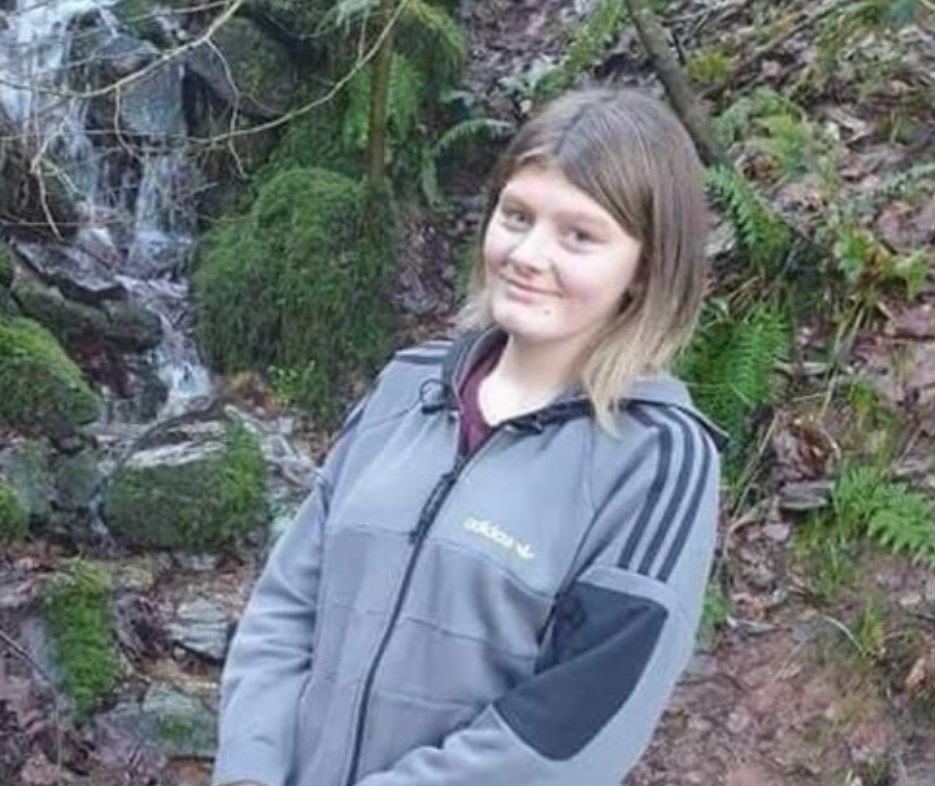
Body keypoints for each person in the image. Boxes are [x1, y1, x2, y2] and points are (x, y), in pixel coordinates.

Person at [212, 87, 725, 786]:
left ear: (644, 268)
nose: (528, 254)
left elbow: (573, 728)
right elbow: (284, 608)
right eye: (517, 216)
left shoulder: (657, 458)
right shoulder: (407, 386)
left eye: (578, 235)